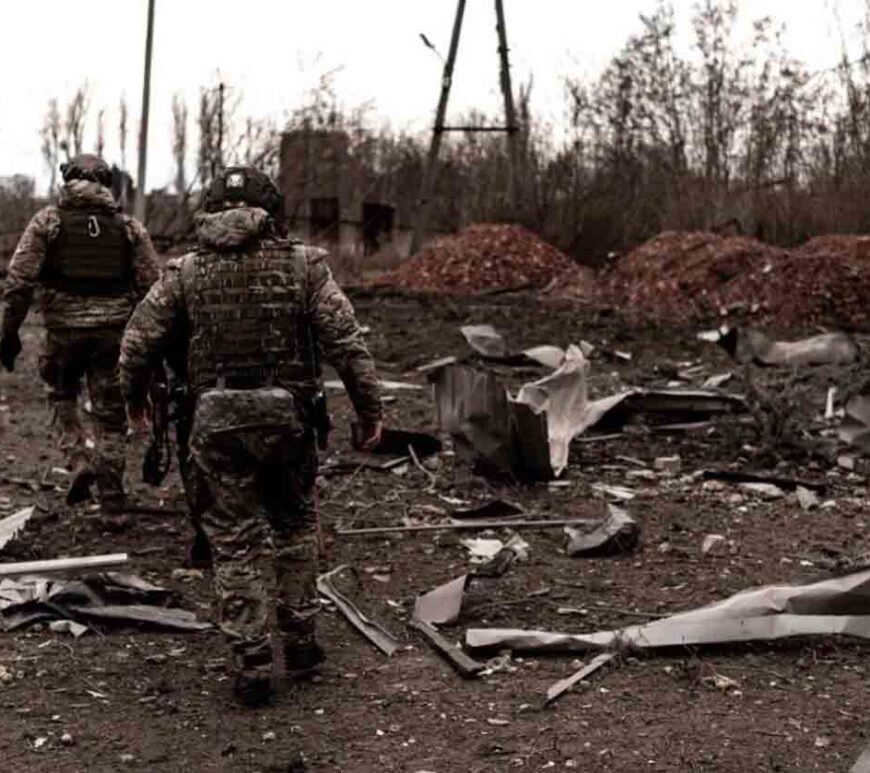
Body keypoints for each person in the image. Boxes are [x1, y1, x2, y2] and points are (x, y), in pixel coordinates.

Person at [119, 166, 383, 706]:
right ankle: (302, 641)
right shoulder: (306, 266)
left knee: (233, 542)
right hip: (289, 420)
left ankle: (252, 661)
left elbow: (137, 344)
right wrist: (368, 410)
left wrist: (134, 402)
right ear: (272, 212)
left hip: (214, 423)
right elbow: (347, 344)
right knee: (294, 527)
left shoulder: (185, 271)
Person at [0, 154, 159, 511]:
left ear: (67, 179)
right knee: (110, 416)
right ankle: (113, 504)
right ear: (107, 184)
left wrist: (8, 333)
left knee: (60, 396)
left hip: (63, 335)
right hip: (113, 337)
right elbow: (154, 289)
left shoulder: (47, 222)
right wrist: (150, 343)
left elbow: (19, 282)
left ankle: (77, 461)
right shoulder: (129, 228)